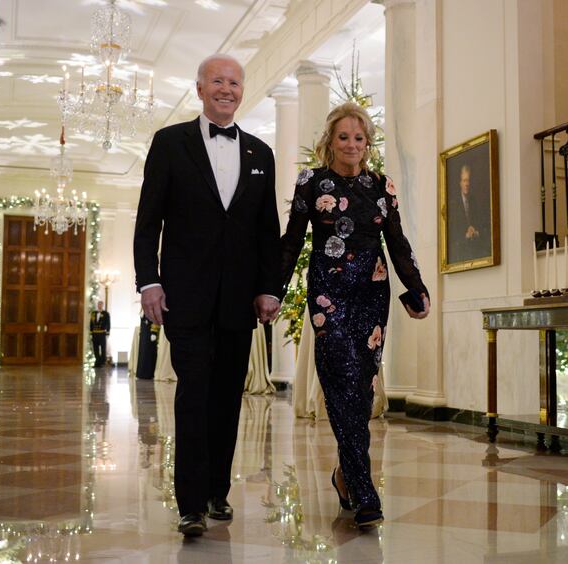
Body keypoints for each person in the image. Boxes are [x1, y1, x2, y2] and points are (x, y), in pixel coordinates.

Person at [133, 53, 281, 537]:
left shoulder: (261, 153)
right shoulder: (170, 142)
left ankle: (218, 490)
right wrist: (147, 280)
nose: (227, 89)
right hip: (187, 297)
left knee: (227, 400)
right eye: (217, 81)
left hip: (240, 300)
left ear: (243, 91)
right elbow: (148, 218)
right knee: (193, 396)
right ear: (199, 89)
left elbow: (266, 230)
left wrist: (268, 288)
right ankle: (190, 503)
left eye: (234, 83)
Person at [280, 102, 430, 529]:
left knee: (361, 388)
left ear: (367, 143)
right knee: (341, 378)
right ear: (330, 140)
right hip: (329, 293)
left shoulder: (381, 186)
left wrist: (416, 289)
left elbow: (398, 243)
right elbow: (291, 242)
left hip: (372, 293)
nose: (351, 144)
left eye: (358, 137)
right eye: (343, 137)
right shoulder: (311, 182)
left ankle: (346, 476)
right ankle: (364, 490)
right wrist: (272, 290)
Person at [451, 164, 491, 263]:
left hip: (475, 251)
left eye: (468, 180)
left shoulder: (474, 202)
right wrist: (466, 235)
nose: (467, 184)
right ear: (460, 183)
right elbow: (452, 235)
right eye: (464, 180)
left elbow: (482, 226)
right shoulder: (453, 204)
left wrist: (475, 232)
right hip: (460, 254)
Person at [89, 300, 110, 367]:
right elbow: (91, 323)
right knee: (95, 348)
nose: (99, 306)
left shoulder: (106, 313)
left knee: (103, 348)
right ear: (97, 305)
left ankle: (102, 362)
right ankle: (97, 362)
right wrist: (91, 331)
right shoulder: (93, 313)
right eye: (98, 304)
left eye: (101, 304)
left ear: (102, 305)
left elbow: (108, 323)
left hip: (102, 333)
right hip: (95, 333)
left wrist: (108, 331)